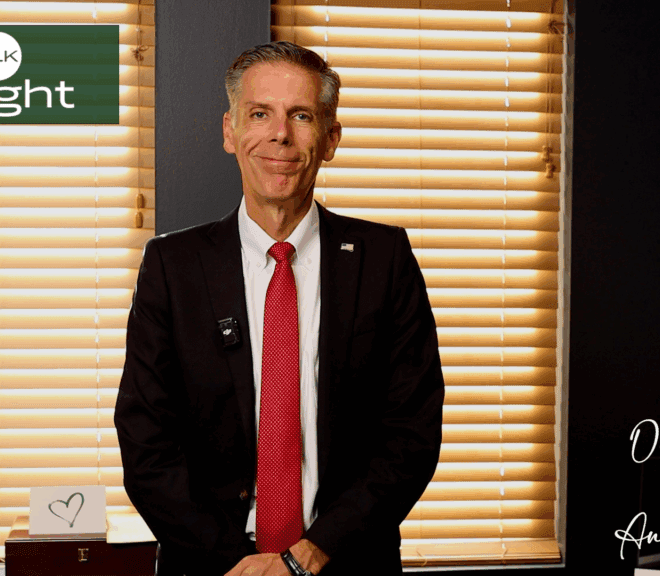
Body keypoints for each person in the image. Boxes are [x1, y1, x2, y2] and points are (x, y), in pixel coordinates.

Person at [115, 41, 445, 576]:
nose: (280, 135)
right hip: (212, 568)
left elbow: (410, 435)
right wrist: (239, 563)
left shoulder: (385, 261)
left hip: (346, 562)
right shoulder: (171, 267)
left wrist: (308, 555)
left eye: (301, 116)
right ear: (229, 131)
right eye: (259, 114)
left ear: (331, 138)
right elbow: (146, 444)